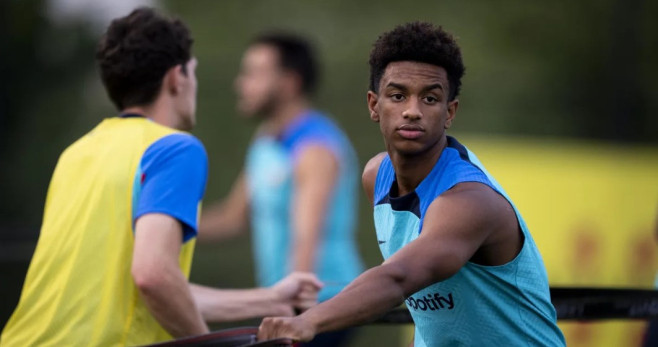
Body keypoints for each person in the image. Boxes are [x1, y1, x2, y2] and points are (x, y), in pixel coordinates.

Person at [0, 8, 321, 347]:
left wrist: (268, 299)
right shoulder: (175, 148)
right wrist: (207, 344)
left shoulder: (75, 153)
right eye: (193, 72)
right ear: (176, 78)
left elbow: (144, 287)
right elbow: (154, 277)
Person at [257, 22, 566, 346]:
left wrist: (308, 321)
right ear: (374, 105)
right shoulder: (376, 176)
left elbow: (399, 277)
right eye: (398, 95)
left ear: (450, 112)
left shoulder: (469, 201)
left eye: (430, 99)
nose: (412, 111)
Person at [199, 32, 363, 346]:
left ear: (289, 83)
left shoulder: (315, 147)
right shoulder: (266, 139)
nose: (241, 84)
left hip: (322, 305)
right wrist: (160, 226)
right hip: (283, 304)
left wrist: (295, 317)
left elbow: (305, 240)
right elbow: (232, 219)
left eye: (254, 74)